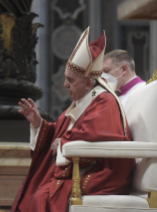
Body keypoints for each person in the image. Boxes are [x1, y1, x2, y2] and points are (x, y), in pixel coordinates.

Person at [11, 27, 135, 212]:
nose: (65, 85)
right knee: (37, 192)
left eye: (70, 80)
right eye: (65, 79)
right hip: (80, 165)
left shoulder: (104, 100)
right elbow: (63, 131)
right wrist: (39, 124)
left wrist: (63, 143)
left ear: (87, 83)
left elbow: (97, 135)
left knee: (41, 197)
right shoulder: (83, 100)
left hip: (102, 173)